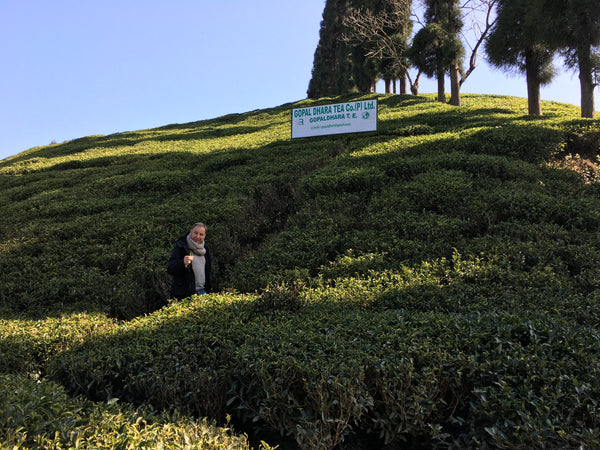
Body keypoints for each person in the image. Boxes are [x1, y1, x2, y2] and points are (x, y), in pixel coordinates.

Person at [167, 222, 212, 299]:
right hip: (185, 294)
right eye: (195, 233)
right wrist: (182, 263)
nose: (198, 236)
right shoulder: (181, 246)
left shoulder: (205, 248)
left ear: (204, 236)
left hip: (203, 292)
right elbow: (170, 268)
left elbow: (208, 270)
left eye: (201, 234)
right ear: (191, 231)